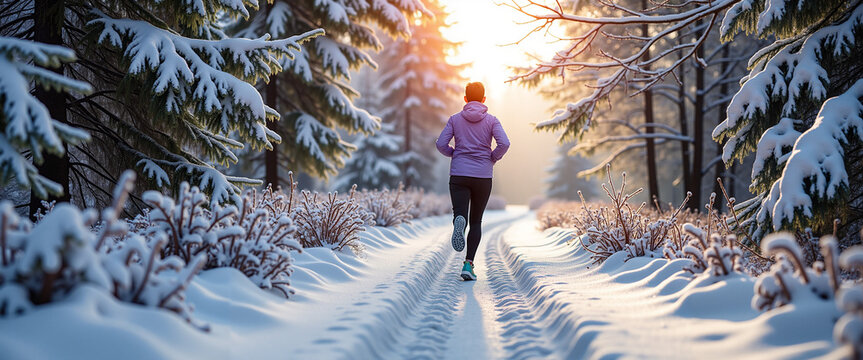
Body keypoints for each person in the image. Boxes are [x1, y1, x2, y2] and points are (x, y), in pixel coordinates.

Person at [435, 82, 510, 281]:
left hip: (459, 174)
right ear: (484, 99)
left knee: (461, 213)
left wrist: (454, 154)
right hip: (483, 176)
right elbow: (505, 143)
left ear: (466, 99)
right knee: (476, 221)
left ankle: (459, 220)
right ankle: (468, 264)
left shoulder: (455, 119)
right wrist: (492, 158)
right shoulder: (492, 120)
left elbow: (441, 143)